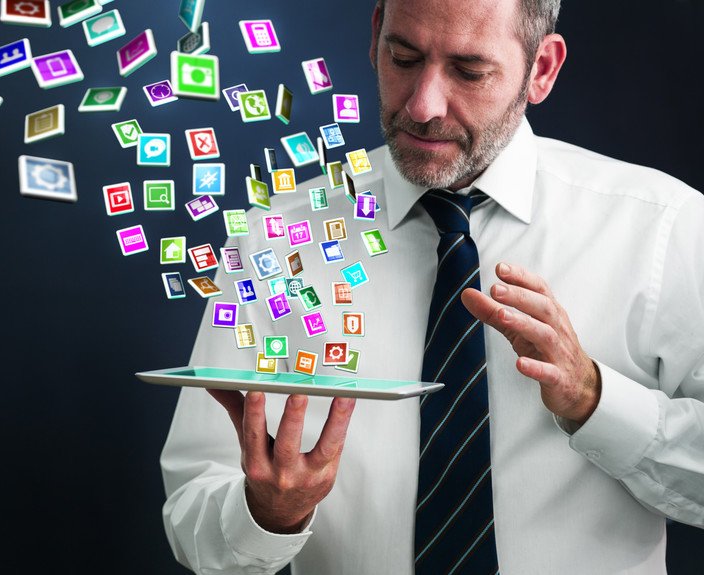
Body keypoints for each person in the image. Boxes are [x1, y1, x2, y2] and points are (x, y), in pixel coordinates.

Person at [160, 0, 704, 573]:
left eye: (469, 71)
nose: (422, 106)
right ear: (375, 37)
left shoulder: (662, 229)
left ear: (541, 68)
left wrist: (596, 401)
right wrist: (268, 515)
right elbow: (194, 507)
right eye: (403, 57)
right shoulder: (277, 237)